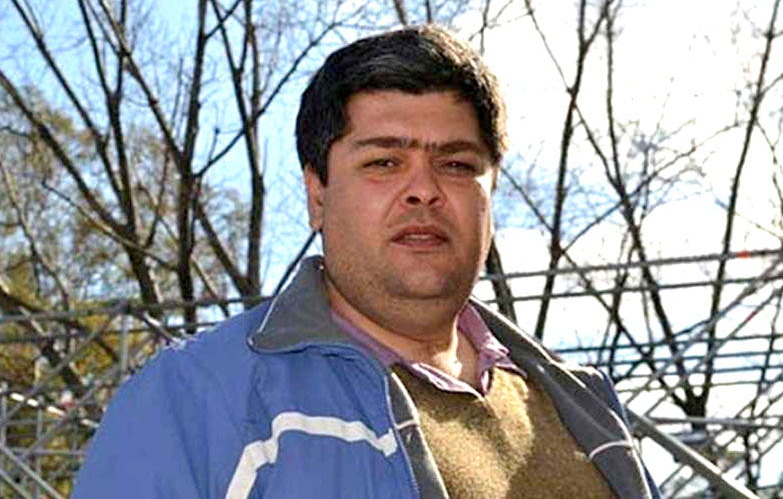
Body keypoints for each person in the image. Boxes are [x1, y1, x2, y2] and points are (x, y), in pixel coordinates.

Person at [73, 25, 660, 498]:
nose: (423, 190)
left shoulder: (585, 406)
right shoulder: (194, 399)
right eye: (384, 162)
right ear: (317, 195)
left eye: (457, 165)